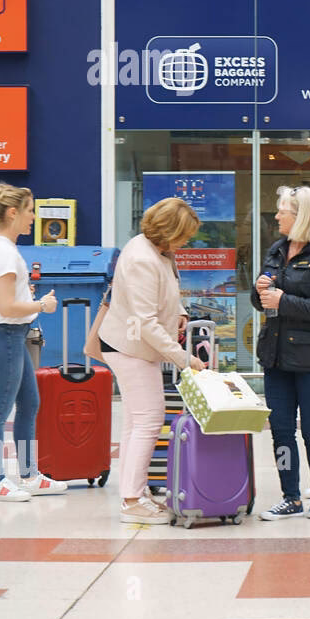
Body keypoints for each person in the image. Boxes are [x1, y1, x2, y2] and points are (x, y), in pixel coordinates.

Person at [98, 196, 205, 523]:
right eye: (184, 234)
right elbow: (145, 322)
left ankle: (135, 492)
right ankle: (132, 500)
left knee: (136, 421)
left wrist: (180, 313)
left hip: (131, 346)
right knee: (148, 419)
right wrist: (184, 359)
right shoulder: (143, 258)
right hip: (130, 347)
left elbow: (167, 291)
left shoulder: (156, 249)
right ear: (168, 229)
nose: (187, 242)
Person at [0, 182, 62, 502]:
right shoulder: (5, 251)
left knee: (29, 403)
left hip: (8, 335)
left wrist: (14, 293)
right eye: (30, 210)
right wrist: (40, 305)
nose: (33, 217)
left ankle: (29, 475)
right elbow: (7, 308)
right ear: (12, 212)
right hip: (5, 334)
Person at [251, 186, 310, 520]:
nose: (276, 216)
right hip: (276, 358)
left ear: (300, 215)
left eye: (283, 211)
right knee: (280, 429)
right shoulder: (277, 250)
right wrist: (259, 290)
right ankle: (290, 495)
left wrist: (282, 300)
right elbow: (261, 300)